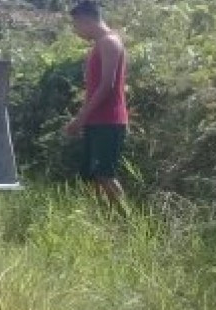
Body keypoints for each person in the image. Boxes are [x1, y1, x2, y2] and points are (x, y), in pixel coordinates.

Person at [64, 1, 128, 207]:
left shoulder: (110, 42)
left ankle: (127, 222)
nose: (76, 31)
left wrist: (80, 118)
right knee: (93, 176)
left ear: (86, 20)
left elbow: (107, 86)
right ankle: (105, 222)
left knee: (105, 174)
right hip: (96, 121)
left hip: (109, 120)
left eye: (76, 25)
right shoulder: (99, 45)